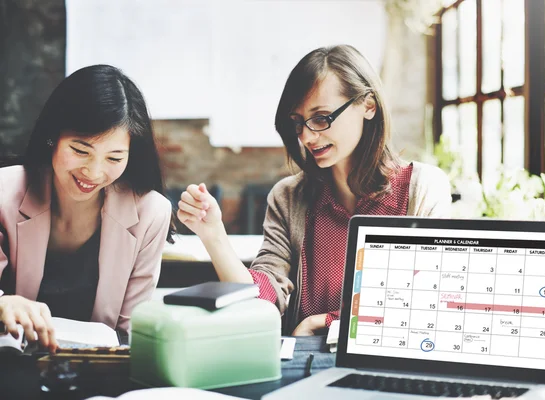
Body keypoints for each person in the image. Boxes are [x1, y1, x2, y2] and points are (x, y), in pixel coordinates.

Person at [177, 45, 451, 336]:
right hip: (304, 364)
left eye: (322, 118)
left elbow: (425, 305)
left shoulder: (421, 189)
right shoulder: (288, 197)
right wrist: (214, 235)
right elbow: (261, 298)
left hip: (388, 365)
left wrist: (324, 323)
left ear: (368, 106)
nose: (307, 136)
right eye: (298, 122)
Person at [0, 65, 175, 351]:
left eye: (114, 158)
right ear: (52, 138)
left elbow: (130, 332)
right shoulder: (3, 192)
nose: (93, 173)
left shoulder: (150, 211)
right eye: (81, 151)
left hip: (98, 372)